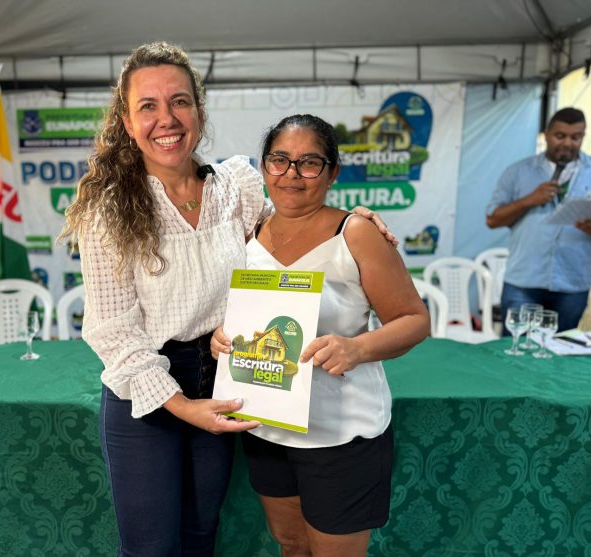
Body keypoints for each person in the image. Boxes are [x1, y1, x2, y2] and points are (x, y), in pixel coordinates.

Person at [62, 43, 395, 556]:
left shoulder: (236, 187)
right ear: (127, 122)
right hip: (147, 391)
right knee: (150, 548)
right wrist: (184, 406)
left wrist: (352, 222)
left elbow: (290, 226)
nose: (166, 118)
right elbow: (114, 332)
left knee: (201, 537)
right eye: (148, 106)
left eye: (179, 101)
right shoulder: (108, 213)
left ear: (199, 111)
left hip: (226, 373)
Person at [211, 114, 430, 557]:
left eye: (309, 163)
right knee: (291, 544)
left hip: (340, 434)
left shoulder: (356, 233)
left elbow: (414, 320)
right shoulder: (249, 233)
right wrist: (223, 335)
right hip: (266, 426)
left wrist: (357, 347)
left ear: (332, 173)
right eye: (279, 160)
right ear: (264, 166)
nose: (292, 174)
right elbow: (249, 315)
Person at [486, 108, 591, 333]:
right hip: (524, 280)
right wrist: (529, 200)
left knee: (560, 350)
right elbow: (492, 220)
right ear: (546, 134)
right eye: (560, 136)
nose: (567, 143)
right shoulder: (518, 171)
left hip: (572, 281)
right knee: (515, 346)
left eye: (575, 137)